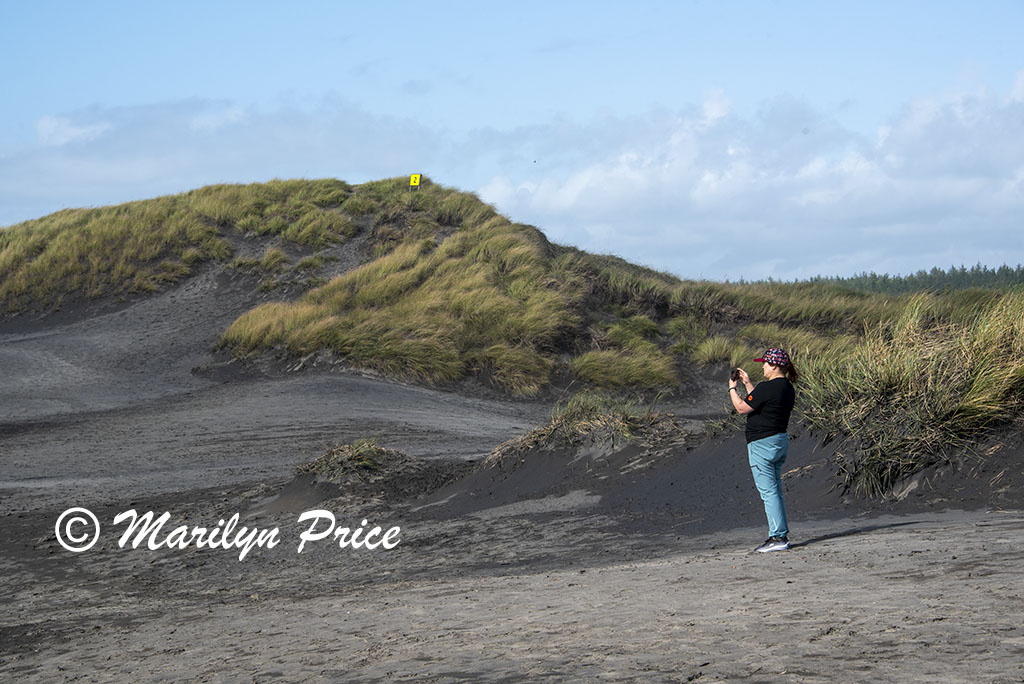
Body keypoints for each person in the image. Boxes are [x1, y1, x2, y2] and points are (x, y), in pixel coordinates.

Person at [729, 347, 799, 553]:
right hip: (778, 441)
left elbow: (742, 408)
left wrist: (732, 388)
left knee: (769, 492)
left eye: (765, 364)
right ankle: (779, 534)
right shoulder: (786, 387)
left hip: (762, 444)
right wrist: (747, 383)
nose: (763, 367)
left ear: (774, 365)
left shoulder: (768, 387)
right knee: (774, 491)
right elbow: (759, 402)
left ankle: (778, 536)